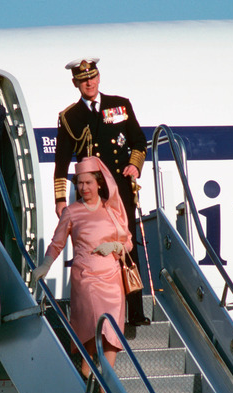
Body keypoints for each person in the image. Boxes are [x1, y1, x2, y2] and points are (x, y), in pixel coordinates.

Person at [53, 57, 150, 326]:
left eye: (92, 77)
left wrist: (134, 165)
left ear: (98, 78)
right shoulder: (70, 117)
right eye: (83, 80)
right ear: (76, 83)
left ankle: (136, 311)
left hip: (119, 189)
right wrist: (60, 199)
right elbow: (61, 162)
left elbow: (139, 141)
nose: (89, 83)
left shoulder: (119, 105)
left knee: (127, 246)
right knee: (93, 251)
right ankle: (95, 312)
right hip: (90, 195)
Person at [32, 157, 132, 393]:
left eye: (88, 182)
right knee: (93, 323)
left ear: (99, 183)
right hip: (85, 276)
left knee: (112, 329)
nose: (84, 188)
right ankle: (87, 368)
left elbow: (128, 241)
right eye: (79, 183)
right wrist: (46, 264)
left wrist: (116, 245)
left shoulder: (112, 208)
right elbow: (57, 243)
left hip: (112, 277)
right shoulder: (71, 211)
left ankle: (105, 381)